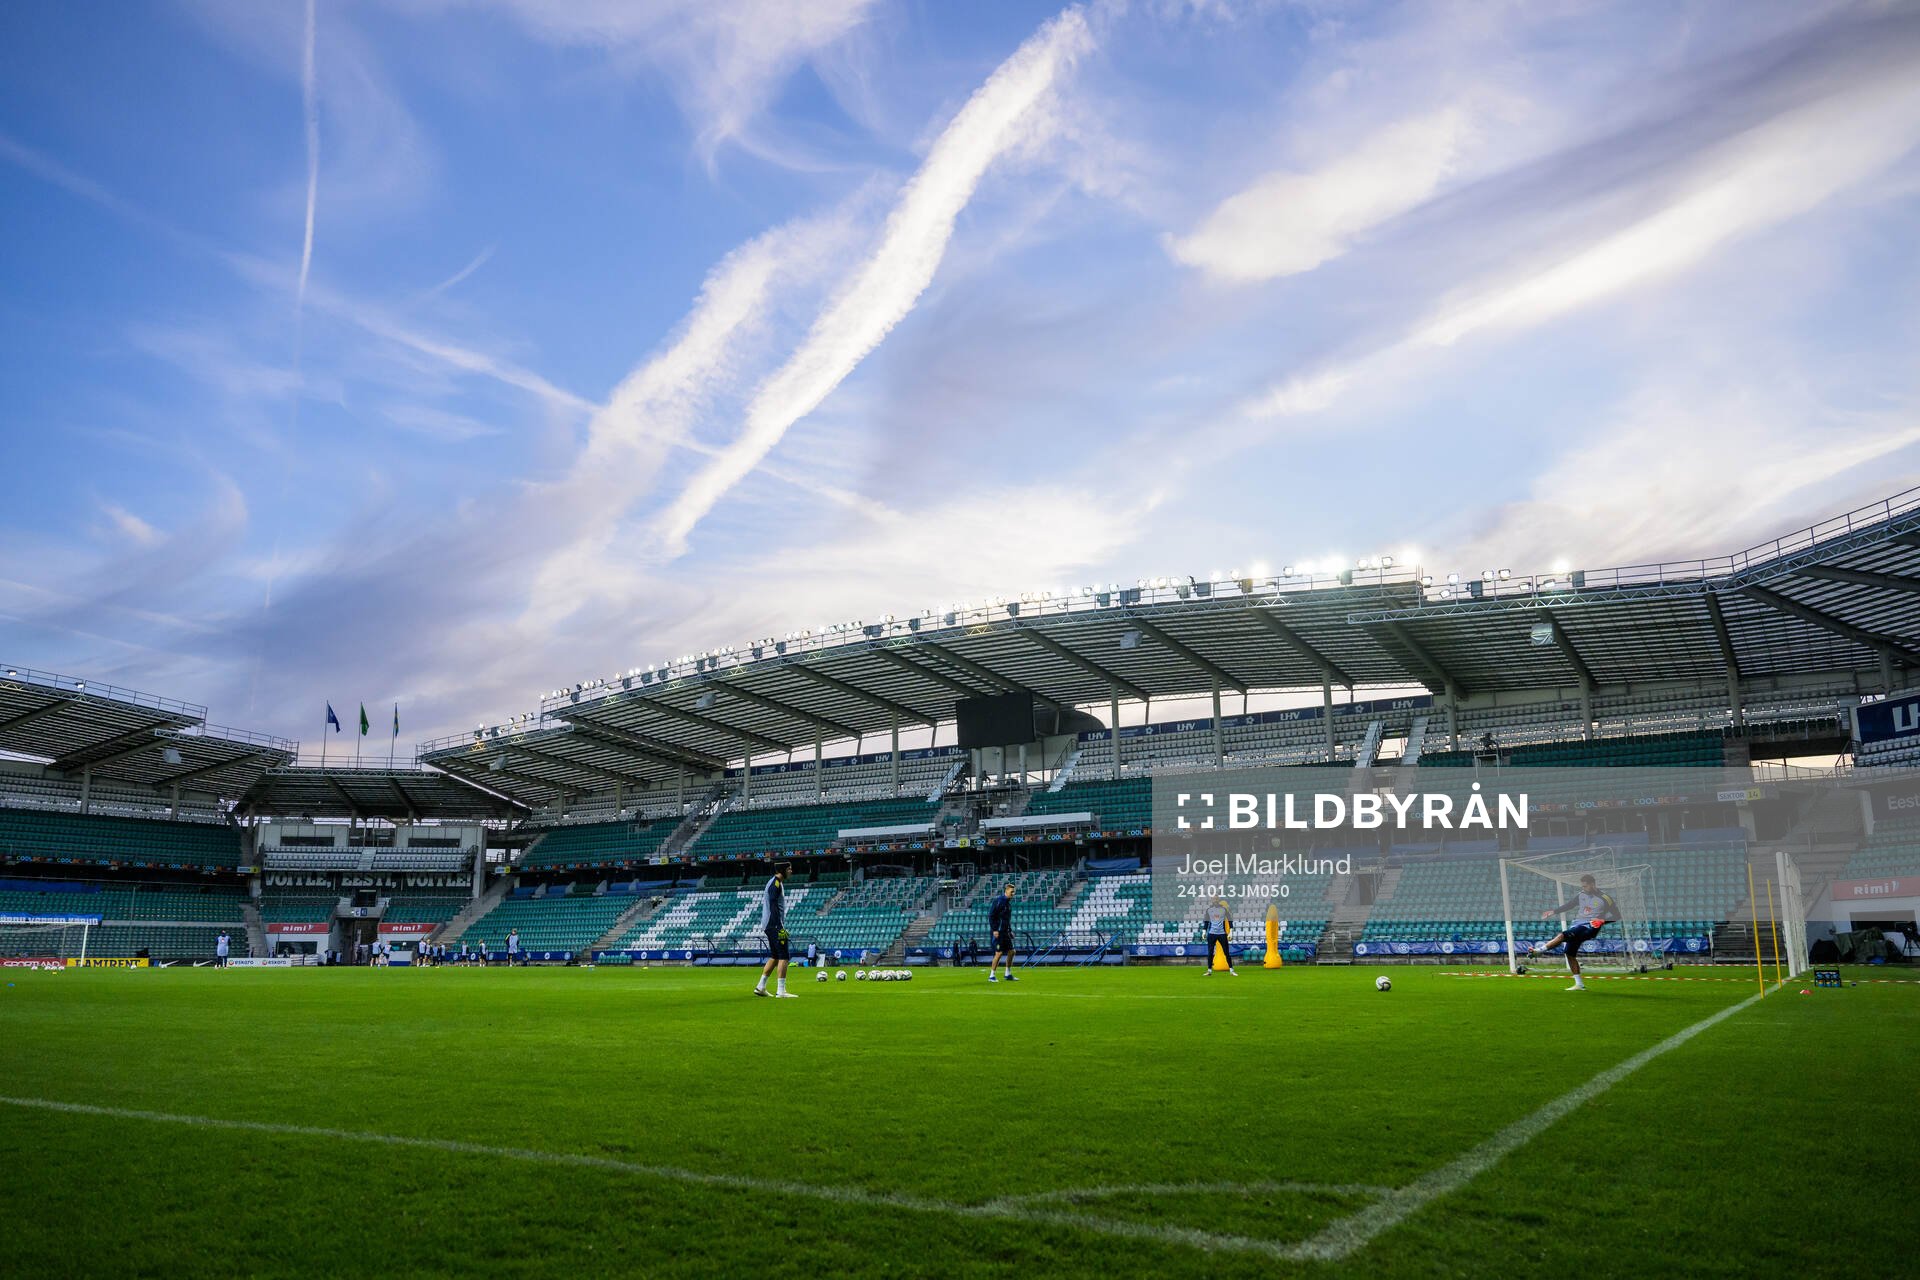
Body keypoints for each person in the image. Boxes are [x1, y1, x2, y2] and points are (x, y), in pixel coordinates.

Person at [1527, 873, 1619, 991]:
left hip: (1589, 927)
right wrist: (1554, 911)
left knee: (1562, 935)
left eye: (1585, 886)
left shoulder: (1605, 898)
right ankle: (1579, 984)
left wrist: (1602, 921)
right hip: (1577, 925)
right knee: (1569, 953)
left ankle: (1537, 951)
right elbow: (1569, 905)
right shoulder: (1581, 895)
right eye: (1582, 886)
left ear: (1592, 884)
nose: (1583, 889)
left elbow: (1617, 916)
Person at [753, 863, 797, 998]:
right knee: (784, 955)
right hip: (774, 925)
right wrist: (780, 926)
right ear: (783, 870)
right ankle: (781, 991)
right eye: (789, 869)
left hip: (769, 925)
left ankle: (761, 986)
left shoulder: (776, 882)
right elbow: (773, 905)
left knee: (775, 956)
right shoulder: (775, 884)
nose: (791, 871)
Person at [987, 883, 1018, 983]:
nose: (1013, 894)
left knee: (1012, 952)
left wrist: (1010, 930)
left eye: (1014, 892)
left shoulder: (1008, 904)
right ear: (1006, 891)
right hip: (998, 932)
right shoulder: (999, 901)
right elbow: (991, 916)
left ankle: (1007, 974)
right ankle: (991, 975)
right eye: (1011, 892)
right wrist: (995, 929)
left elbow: (1006, 920)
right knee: (999, 953)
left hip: (1005, 932)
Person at [1202, 898, 1236, 976]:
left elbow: (1230, 919)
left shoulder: (1224, 909)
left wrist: (1231, 931)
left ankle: (1231, 970)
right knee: (1210, 953)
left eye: (1216, 899)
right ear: (1212, 901)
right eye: (1214, 899)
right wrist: (1204, 931)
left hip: (1222, 933)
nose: (1215, 901)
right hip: (1211, 933)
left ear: (1218, 900)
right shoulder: (1209, 910)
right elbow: (1206, 922)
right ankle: (1209, 970)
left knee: (1226, 952)